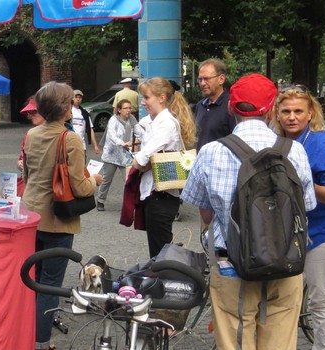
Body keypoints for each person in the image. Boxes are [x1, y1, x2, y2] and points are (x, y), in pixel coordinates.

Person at [182, 74, 316, 350]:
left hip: (233, 269)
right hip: (286, 273)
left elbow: (200, 207)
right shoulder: (293, 150)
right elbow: (305, 206)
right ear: (271, 107)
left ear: (233, 107)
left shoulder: (212, 152)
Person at [22, 81, 102, 350]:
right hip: (56, 218)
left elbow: (29, 173)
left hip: (30, 215)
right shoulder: (70, 139)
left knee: (34, 279)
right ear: (65, 109)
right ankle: (41, 348)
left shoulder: (31, 134)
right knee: (50, 284)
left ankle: (28, 338)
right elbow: (80, 187)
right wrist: (95, 180)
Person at [273, 85, 325, 350]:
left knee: (319, 299)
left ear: (310, 113)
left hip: (322, 232)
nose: (292, 117)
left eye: (298, 111)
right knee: (283, 298)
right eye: (286, 111)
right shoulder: (277, 142)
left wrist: (301, 184)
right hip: (289, 233)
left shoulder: (321, 143)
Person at [130, 77, 197, 258]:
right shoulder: (158, 121)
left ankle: (166, 283)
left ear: (161, 97)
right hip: (158, 194)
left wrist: (141, 161)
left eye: (146, 97)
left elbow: (141, 159)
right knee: (158, 248)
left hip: (162, 195)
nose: (143, 102)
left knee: (160, 252)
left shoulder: (166, 123)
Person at [96, 99, 138, 211]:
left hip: (125, 156)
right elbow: (111, 135)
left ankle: (129, 204)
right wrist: (122, 143)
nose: (128, 110)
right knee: (106, 180)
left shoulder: (132, 119)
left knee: (129, 181)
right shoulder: (113, 120)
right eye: (125, 108)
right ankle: (100, 200)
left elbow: (139, 131)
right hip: (111, 155)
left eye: (130, 108)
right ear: (119, 110)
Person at [194, 58, 236, 151]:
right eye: (200, 79)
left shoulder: (231, 105)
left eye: (207, 79)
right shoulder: (200, 106)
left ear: (221, 79)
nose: (202, 83)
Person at [16, 97, 45, 196]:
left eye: (33, 112)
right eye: (28, 112)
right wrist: (20, 164)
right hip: (30, 186)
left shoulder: (60, 134)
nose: (30, 115)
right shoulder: (29, 134)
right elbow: (21, 158)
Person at [71, 89, 100, 154]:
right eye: (76, 97)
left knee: (82, 163)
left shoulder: (84, 113)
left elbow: (90, 128)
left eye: (80, 97)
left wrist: (95, 145)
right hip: (70, 145)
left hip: (82, 145)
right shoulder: (68, 111)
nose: (78, 99)